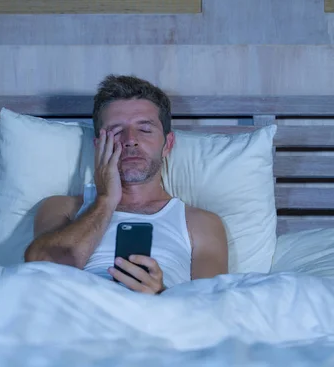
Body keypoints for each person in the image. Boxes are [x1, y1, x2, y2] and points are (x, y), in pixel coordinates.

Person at [24, 74, 228, 294]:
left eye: (145, 129)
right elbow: (40, 273)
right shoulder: (61, 208)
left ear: (167, 144)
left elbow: (211, 309)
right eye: (116, 131)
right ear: (98, 145)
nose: (130, 139)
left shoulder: (201, 223)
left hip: (155, 322)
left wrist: (160, 294)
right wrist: (105, 200)